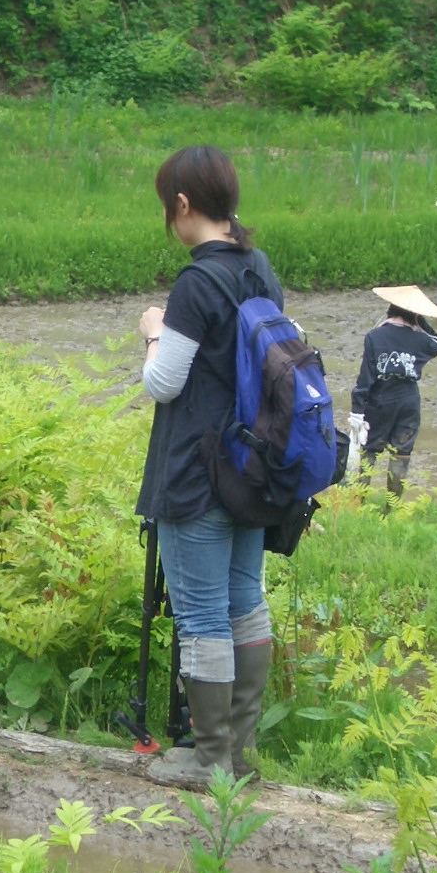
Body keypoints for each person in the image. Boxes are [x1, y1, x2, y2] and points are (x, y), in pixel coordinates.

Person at [135, 145, 278, 787]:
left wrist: (154, 330)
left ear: (183, 204)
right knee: (244, 600)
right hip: (251, 467)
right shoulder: (259, 268)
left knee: (199, 614)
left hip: (196, 472)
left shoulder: (197, 283)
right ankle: (237, 753)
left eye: (168, 206)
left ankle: (209, 758)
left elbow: (163, 383)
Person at [351, 285, 437, 502]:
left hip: (380, 399)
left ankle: (358, 503)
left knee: (368, 451)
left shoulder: (375, 336)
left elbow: (366, 377)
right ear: (415, 315)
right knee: (401, 453)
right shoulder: (421, 340)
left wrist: (357, 409)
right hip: (409, 400)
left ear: (390, 309)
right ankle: (392, 507)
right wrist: (421, 322)